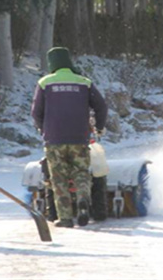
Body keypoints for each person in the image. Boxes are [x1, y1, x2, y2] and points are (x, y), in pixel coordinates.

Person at [31, 47, 108, 228]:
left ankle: (65, 217)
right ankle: (83, 201)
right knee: (81, 172)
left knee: (58, 177)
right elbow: (101, 106)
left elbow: (36, 112)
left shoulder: (44, 83)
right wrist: (99, 127)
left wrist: (44, 129)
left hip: (54, 139)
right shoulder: (84, 82)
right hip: (79, 137)